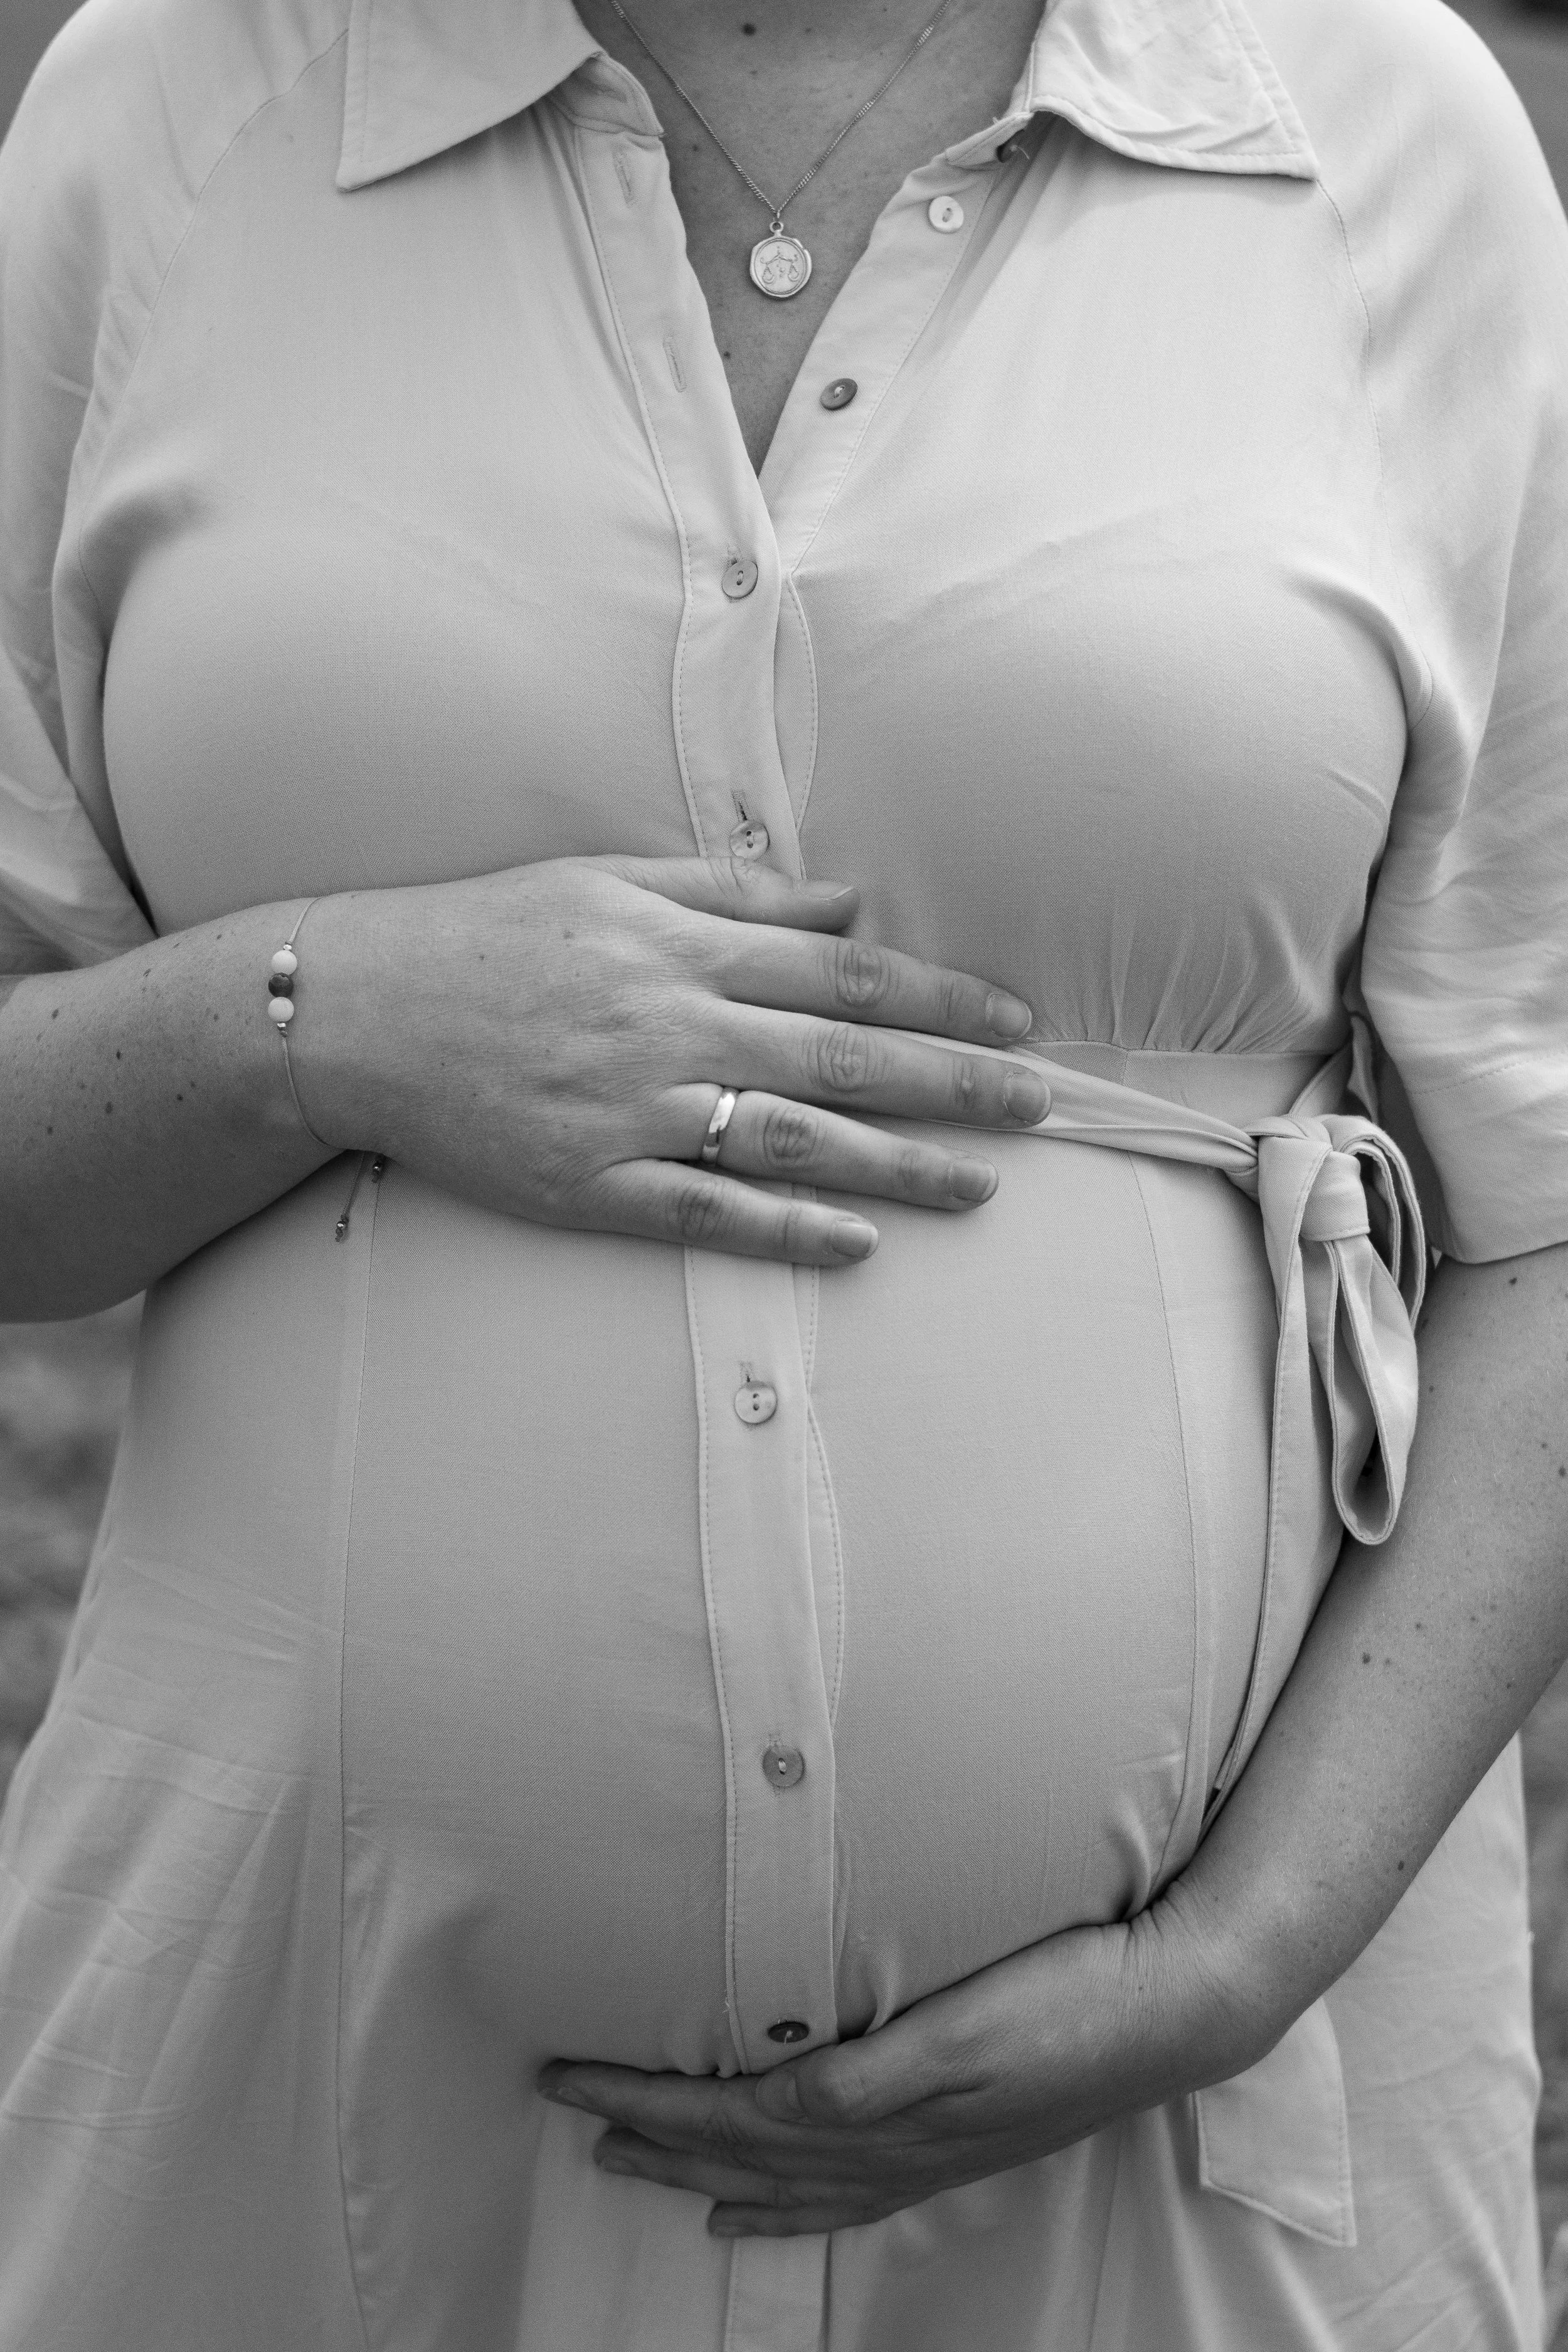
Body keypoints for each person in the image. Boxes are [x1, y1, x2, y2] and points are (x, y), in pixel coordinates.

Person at [0, 0, 1565, 2341]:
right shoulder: (168, 113)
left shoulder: (1374, 131)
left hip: (1191, 2143)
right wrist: (325, 1014)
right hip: (295, 2097)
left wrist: (1243, 1950)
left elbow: (1547, 1202)